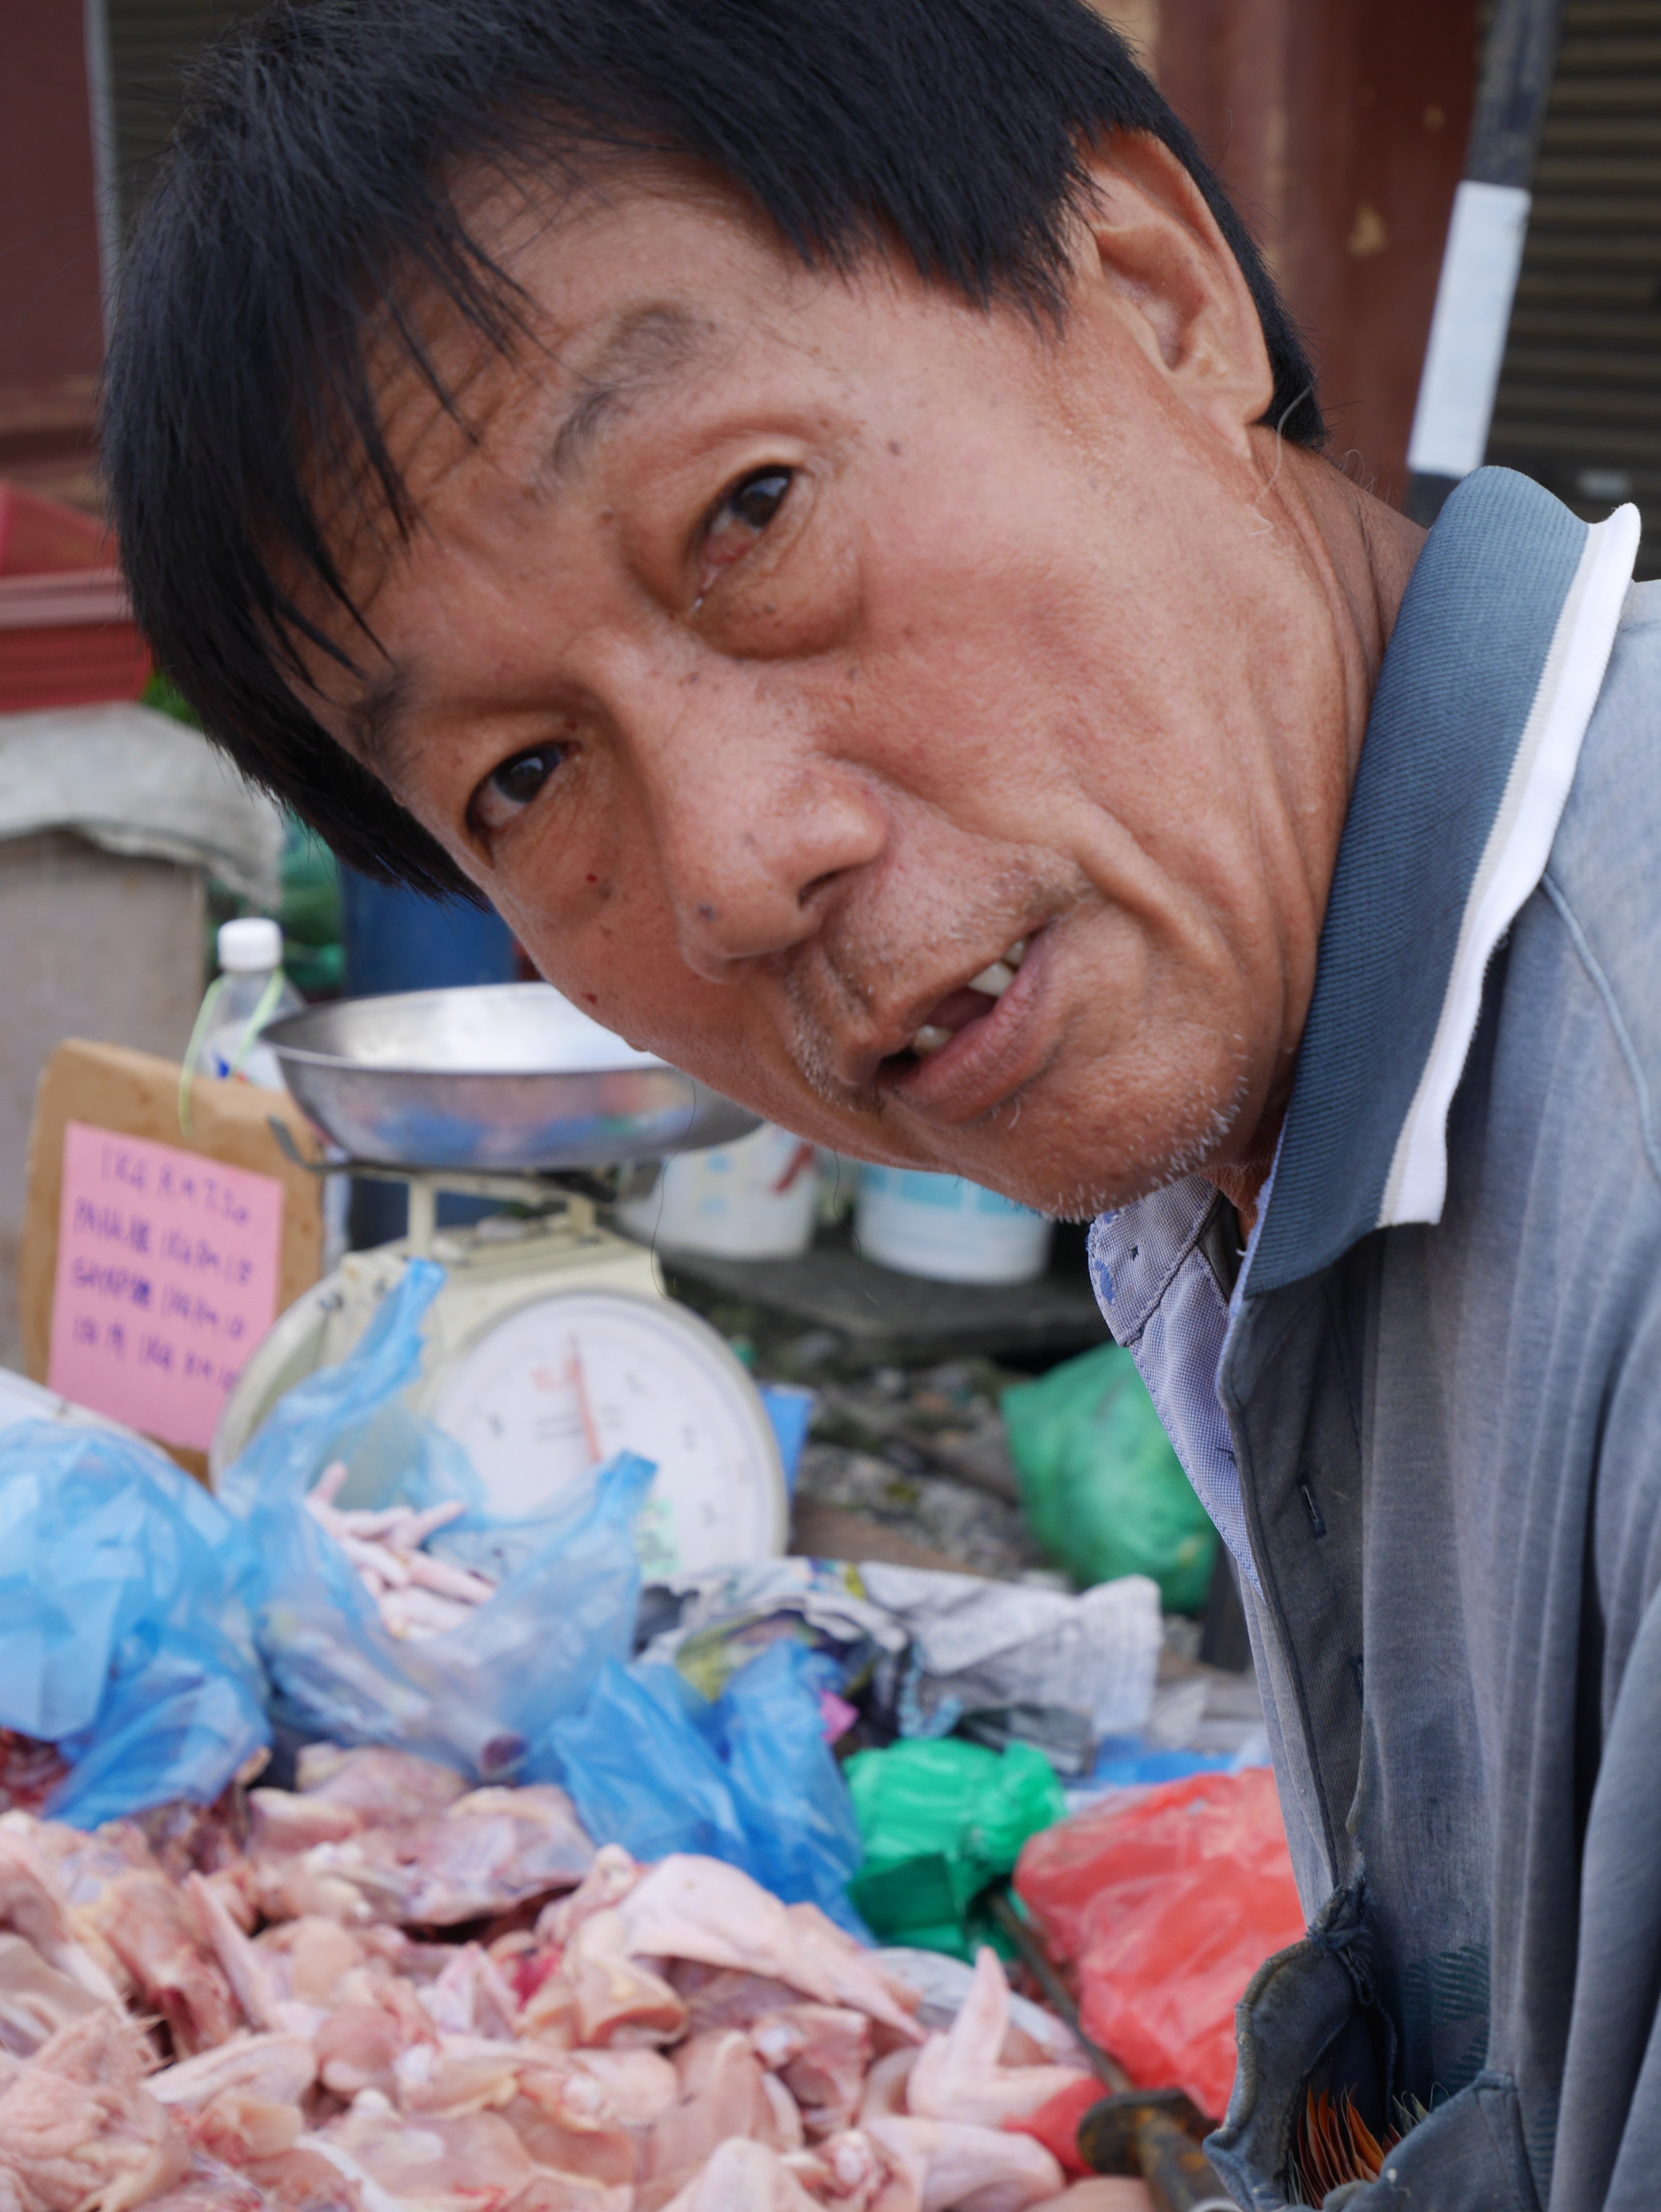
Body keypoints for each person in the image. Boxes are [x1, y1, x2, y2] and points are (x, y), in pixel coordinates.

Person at [105, 3, 1659, 2204]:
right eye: (524, 775)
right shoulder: (1286, 1148)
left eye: (749, 512)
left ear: (1154, 295)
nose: (737, 865)